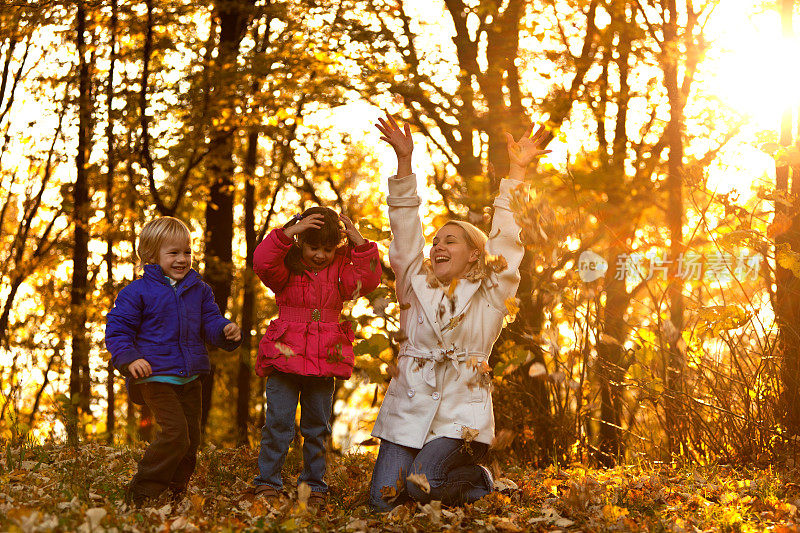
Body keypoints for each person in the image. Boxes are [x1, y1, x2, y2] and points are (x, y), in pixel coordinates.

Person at [368, 113, 551, 511]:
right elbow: (404, 231)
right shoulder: (413, 284)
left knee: (424, 485)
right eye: (435, 241)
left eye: (450, 241)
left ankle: (478, 480)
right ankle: (428, 474)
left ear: (474, 255)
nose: (436, 247)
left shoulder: (490, 293)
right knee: (382, 505)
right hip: (409, 412)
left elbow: (507, 239)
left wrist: (516, 175)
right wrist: (404, 163)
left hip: (459, 421)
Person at [105, 216, 242, 506]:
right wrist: (130, 359)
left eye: (187, 252)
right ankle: (142, 492)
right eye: (174, 253)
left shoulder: (200, 290)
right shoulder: (138, 292)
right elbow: (118, 330)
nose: (182, 259)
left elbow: (210, 322)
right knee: (176, 435)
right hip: (155, 377)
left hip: (190, 377)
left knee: (191, 442)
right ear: (152, 256)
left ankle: (175, 491)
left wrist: (225, 330)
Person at [251, 206, 382, 507]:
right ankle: (267, 481)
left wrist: (359, 243)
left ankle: (314, 486)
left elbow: (370, 279)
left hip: (324, 359)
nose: (320, 255)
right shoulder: (287, 266)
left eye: (327, 248)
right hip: (285, 357)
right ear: (300, 242)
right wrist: (287, 232)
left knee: (317, 427)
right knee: (279, 422)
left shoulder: (341, 269)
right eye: (313, 247)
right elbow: (262, 262)